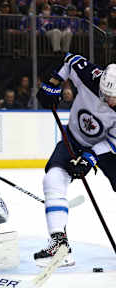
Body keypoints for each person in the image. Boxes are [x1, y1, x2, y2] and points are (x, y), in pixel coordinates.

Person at [35, 53, 116, 267]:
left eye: (114, 97)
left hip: (106, 148)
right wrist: (53, 84)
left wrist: (90, 158)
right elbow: (70, 60)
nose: (109, 101)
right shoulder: (89, 75)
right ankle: (59, 244)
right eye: (106, 94)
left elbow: (112, 143)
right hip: (73, 137)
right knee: (52, 180)